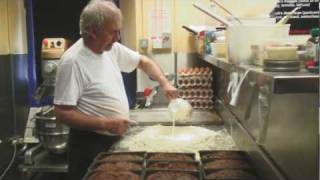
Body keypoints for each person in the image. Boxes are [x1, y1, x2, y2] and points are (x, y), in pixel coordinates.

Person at [53, 0, 178, 179]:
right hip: (89, 145)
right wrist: (105, 124)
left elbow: (143, 62)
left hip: (112, 139)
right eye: (113, 32)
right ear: (92, 31)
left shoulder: (110, 49)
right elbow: (62, 113)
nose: (118, 37)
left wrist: (164, 82)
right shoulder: (72, 62)